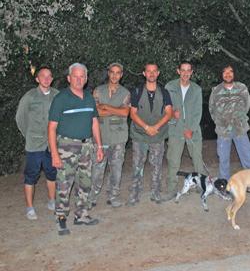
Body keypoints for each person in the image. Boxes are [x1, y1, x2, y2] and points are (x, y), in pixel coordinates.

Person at [48, 63, 104, 235]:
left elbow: (94, 122)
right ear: (69, 78)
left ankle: (81, 214)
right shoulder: (61, 99)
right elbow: (51, 128)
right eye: (76, 76)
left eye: (82, 76)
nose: (79, 79)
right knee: (64, 184)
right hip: (66, 146)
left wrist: (99, 146)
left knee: (85, 182)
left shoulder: (88, 97)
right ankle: (61, 218)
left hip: (87, 146)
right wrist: (55, 154)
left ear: (86, 79)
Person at [16, 66, 59, 220]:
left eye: (49, 76)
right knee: (31, 176)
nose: (46, 79)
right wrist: (29, 135)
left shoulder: (57, 95)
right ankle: (29, 207)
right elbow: (20, 118)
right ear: (37, 79)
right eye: (43, 76)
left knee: (52, 173)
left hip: (51, 143)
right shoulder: (29, 96)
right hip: (34, 144)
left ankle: (52, 201)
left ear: (52, 79)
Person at [127, 63, 173, 206]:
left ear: (158, 73)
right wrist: (147, 127)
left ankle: (156, 192)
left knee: (157, 165)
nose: (151, 74)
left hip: (157, 135)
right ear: (144, 73)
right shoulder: (136, 91)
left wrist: (155, 127)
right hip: (140, 135)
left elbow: (169, 112)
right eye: (149, 71)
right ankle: (135, 193)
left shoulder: (164, 92)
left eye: (154, 71)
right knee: (137, 165)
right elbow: (132, 114)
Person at [88, 63, 130, 208]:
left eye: (118, 73)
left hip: (119, 138)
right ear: (108, 73)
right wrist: (116, 109)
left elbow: (125, 112)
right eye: (112, 72)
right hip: (101, 136)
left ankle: (113, 196)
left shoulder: (125, 93)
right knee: (97, 169)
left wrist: (105, 106)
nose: (114, 75)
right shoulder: (98, 91)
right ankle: (91, 197)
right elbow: (95, 111)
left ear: (121, 74)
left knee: (116, 170)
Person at [164, 61, 207, 201]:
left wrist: (191, 129)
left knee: (197, 160)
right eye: (183, 70)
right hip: (175, 130)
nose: (185, 73)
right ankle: (171, 190)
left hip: (192, 130)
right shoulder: (169, 87)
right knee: (173, 161)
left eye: (188, 70)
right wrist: (171, 115)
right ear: (178, 71)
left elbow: (198, 112)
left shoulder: (196, 89)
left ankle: (202, 187)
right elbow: (164, 108)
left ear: (192, 72)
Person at [209, 65, 250, 180]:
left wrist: (239, 118)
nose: (228, 74)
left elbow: (247, 104)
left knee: (247, 156)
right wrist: (220, 122)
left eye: (230, 72)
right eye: (225, 72)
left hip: (240, 128)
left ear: (234, 74)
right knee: (223, 159)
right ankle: (224, 184)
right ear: (221, 75)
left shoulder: (242, 88)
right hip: (223, 130)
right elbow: (212, 109)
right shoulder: (216, 91)